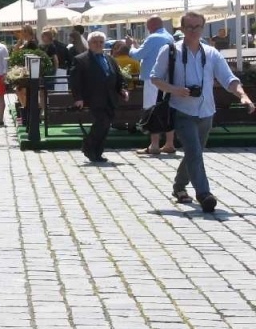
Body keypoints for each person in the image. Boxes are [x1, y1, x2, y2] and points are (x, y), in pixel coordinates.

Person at [150, 11, 256, 213]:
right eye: (189, 27)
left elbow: (228, 79)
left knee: (194, 152)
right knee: (194, 151)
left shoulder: (211, 53)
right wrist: (175, 90)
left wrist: (243, 96)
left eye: (197, 26)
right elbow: (155, 78)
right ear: (181, 29)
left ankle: (179, 187)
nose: (193, 31)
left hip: (206, 111)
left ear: (203, 28)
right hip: (181, 110)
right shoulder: (170, 51)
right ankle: (204, 194)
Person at [70, 30, 128, 164]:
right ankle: (89, 148)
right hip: (93, 98)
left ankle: (97, 152)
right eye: (95, 42)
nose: (98, 44)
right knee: (102, 123)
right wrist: (78, 98)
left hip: (110, 98)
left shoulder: (110, 59)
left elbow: (118, 77)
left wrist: (122, 89)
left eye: (101, 42)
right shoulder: (81, 59)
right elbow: (75, 81)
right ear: (89, 43)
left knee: (105, 126)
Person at [133, 16, 177, 157]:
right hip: (167, 79)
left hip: (152, 79)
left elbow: (137, 55)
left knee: (152, 110)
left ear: (150, 26)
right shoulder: (169, 37)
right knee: (167, 109)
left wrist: (131, 47)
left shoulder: (153, 38)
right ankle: (169, 143)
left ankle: (154, 145)